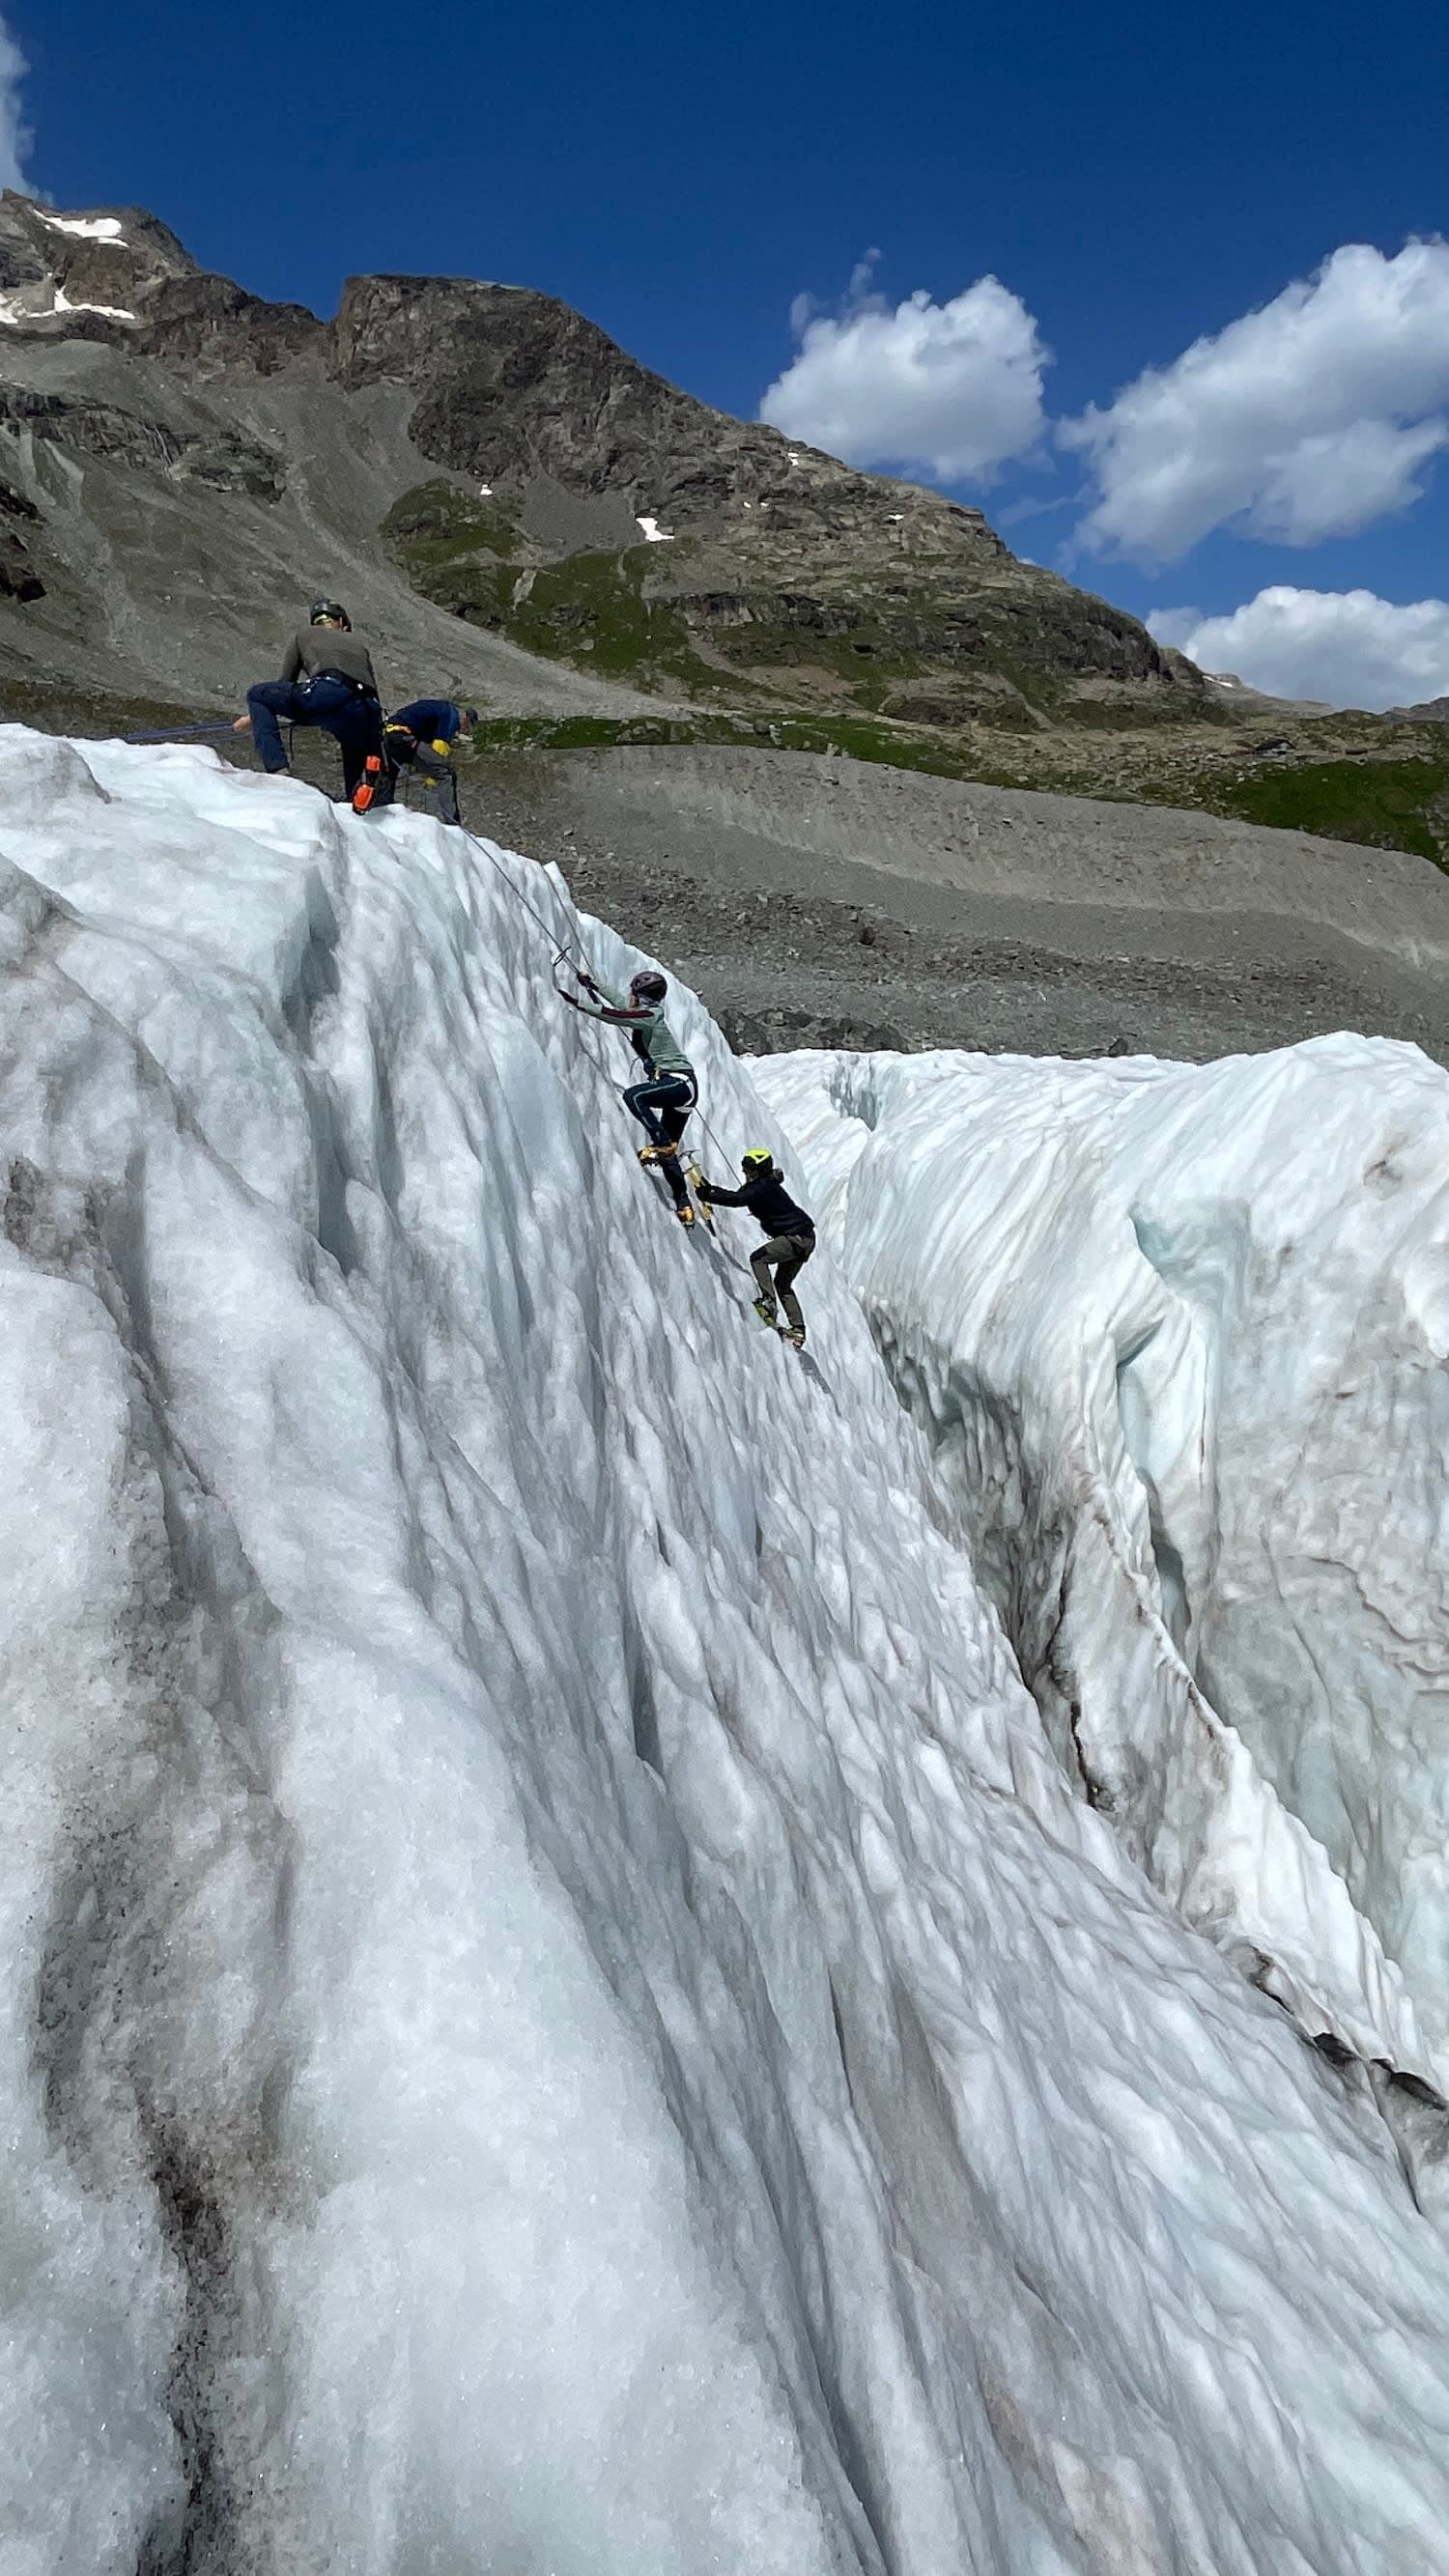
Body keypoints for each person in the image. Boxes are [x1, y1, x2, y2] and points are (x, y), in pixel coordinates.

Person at [560, 964, 698, 1223]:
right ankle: (684, 1204)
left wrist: (580, 1003)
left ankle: (661, 1141)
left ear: (641, 994)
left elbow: (617, 1016)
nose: (629, 995)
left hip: (679, 1083)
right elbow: (623, 1006)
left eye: (633, 991)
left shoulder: (649, 1015)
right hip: (685, 1086)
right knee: (666, 1152)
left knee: (634, 1097)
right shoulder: (648, 1012)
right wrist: (593, 983)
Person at [236, 601, 384, 799]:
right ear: (342, 623)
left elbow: (285, 682)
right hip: (368, 708)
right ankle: (358, 802)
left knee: (257, 693)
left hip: (330, 690)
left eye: (323, 620)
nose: (321, 625)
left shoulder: (305, 634)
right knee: (355, 757)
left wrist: (254, 715)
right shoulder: (359, 645)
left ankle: (278, 771)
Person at [697, 1149, 815, 1345]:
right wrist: (713, 1191)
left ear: (759, 1171)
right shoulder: (766, 1184)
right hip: (805, 1238)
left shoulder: (761, 1186)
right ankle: (798, 1329)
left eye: (750, 1170)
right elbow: (739, 1196)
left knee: (758, 1258)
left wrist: (708, 1195)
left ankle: (769, 1302)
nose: (746, 1174)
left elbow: (737, 1199)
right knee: (783, 1284)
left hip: (795, 1238)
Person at [355, 699, 479, 822]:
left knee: (389, 775)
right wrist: (431, 776)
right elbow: (440, 746)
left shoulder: (442, 708)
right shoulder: (453, 717)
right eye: (469, 725)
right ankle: (452, 822)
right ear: (465, 718)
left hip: (390, 735)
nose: (466, 729)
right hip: (406, 738)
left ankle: (379, 809)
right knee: (446, 775)